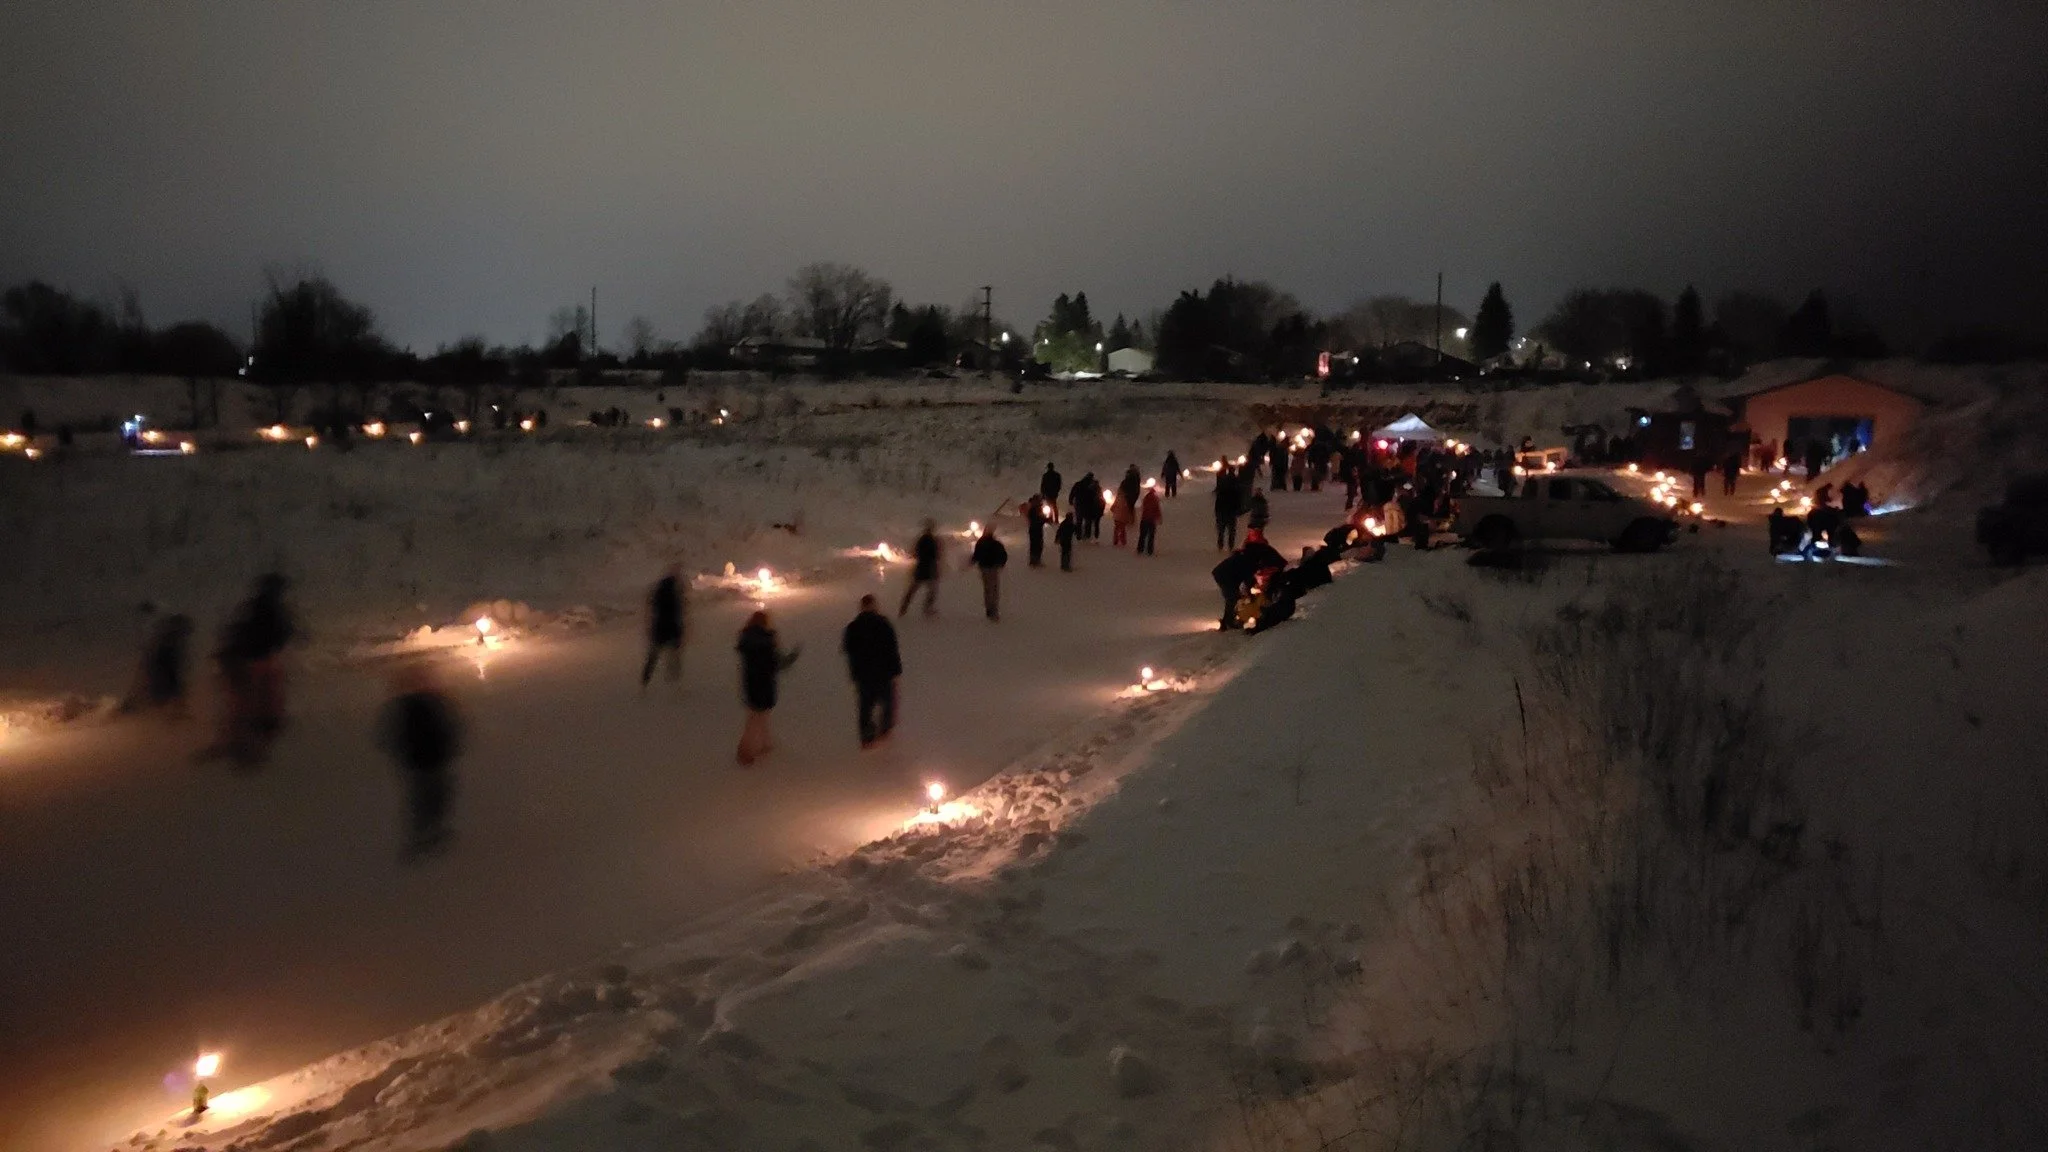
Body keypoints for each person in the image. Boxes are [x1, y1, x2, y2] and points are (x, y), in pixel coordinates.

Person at [206, 573, 295, 766]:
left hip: (243, 660)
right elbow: (282, 634)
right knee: (258, 704)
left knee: (243, 705)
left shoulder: (253, 608)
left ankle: (237, 743)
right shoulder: (272, 610)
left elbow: (235, 632)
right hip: (256, 660)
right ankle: (245, 747)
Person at [380, 662, 463, 859]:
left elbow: (448, 727)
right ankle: (424, 833)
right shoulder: (415, 706)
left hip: (428, 760)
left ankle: (429, 831)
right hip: (423, 761)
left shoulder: (428, 703)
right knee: (427, 797)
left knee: (432, 797)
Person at [735, 611, 799, 765]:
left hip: (750, 683)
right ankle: (745, 749)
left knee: (757, 715)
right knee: (757, 717)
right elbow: (776, 663)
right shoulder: (767, 641)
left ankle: (765, 743)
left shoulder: (746, 640)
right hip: (765, 683)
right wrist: (791, 657)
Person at [841, 595, 902, 747]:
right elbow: (892, 648)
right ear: (874, 606)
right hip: (883, 672)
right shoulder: (883, 624)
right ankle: (885, 729)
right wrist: (896, 671)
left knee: (865, 705)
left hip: (863, 674)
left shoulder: (853, 627)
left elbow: (848, 649)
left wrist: (854, 672)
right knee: (887, 702)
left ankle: (867, 736)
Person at [122, 612, 193, 717]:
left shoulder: (165, 646)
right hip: (157, 694)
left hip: (157, 694)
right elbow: (169, 675)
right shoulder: (168, 648)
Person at [640, 565, 686, 687]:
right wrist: (680, 629)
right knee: (673, 654)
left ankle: (645, 680)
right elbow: (677, 612)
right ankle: (674, 681)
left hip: (659, 628)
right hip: (670, 628)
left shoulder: (659, 592)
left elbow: (653, 607)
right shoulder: (673, 594)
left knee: (654, 655)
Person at [899, 520, 941, 617]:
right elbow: (936, 555)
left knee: (914, 589)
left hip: (922, 567)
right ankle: (927, 609)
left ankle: (903, 609)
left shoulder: (923, 540)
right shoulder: (932, 540)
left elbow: (915, 553)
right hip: (929, 567)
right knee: (931, 589)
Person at [969, 526, 1009, 620]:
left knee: (987, 589)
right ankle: (993, 609)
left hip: (984, 568)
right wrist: (1001, 563)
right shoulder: (996, 543)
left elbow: (976, 555)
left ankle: (989, 609)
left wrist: (972, 562)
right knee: (994, 589)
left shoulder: (981, 543)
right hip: (993, 568)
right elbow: (1003, 554)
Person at [1214, 465, 1241, 550]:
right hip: (1231, 511)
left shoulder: (1223, 483)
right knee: (1231, 530)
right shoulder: (1235, 484)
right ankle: (1230, 545)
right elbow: (1238, 498)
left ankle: (1220, 544)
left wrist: (1217, 510)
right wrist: (1238, 509)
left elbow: (1218, 498)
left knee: (1221, 530)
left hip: (1222, 510)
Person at [1113, 466, 1141, 546]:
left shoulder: (1127, 480)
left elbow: (1122, 488)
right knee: (1130, 507)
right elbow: (1136, 487)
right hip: (1132, 495)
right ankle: (1131, 519)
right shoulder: (1136, 478)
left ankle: (1116, 540)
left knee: (1118, 527)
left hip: (1127, 497)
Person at [1138, 482, 1163, 555]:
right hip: (1151, 520)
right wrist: (1159, 518)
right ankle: (1150, 550)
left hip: (1144, 518)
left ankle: (1140, 548)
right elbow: (1157, 509)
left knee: (1142, 535)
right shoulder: (1155, 499)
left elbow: (1142, 507)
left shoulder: (1146, 498)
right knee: (1151, 536)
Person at [1024, 497, 1050, 567]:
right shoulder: (1033, 510)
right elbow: (1036, 520)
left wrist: (1045, 519)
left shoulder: (1037, 509)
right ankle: (1034, 561)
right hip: (1035, 530)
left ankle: (1036, 560)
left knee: (1038, 545)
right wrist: (1044, 519)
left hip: (1037, 530)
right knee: (1035, 545)